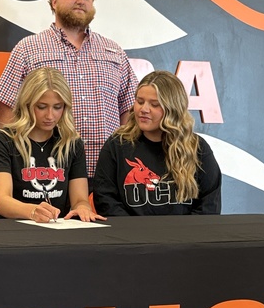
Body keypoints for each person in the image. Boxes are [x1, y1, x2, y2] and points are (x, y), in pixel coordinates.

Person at [0, 0, 136, 176]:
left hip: (107, 170)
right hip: (50, 171)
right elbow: (8, 108)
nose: (81, 1)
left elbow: (128, 109)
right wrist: (16, 162)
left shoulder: (113, 51)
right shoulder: (29, 48)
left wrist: (125, 156)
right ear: (54, 1)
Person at [93, 70, 222, 216]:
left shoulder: (197, 148)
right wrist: (133, 233)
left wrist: (184, 236)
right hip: (130, 236)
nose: (144, 109)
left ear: (173, 109)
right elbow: (105, 199)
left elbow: (209, 204)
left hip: (185, 237)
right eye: (140, 101)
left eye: (154, 104)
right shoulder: (117, 144)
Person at [0, 68, 103, 223]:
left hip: (57, 229)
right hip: (12, 228)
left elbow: (80, 200)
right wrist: (33, 211)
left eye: (57, 107)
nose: (50, 115)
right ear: (27, 104)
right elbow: (2, 201)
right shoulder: (3, 139)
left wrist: (83, 208)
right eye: (41, 107)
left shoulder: (72, 142)